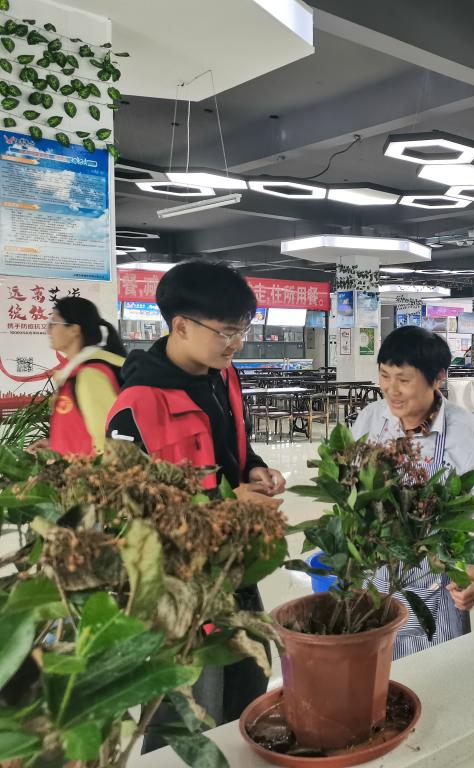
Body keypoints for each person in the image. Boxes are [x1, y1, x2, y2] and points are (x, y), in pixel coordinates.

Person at [105, 261, 285, 751]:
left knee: (248, 683)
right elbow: (131, 513)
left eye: (243, 329)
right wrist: (226, 505)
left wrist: (253, 470)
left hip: (234, 563)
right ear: (181, 325)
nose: (237, 343)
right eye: (226, 331)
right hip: (177, 583)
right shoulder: (137, 405)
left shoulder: (223, 378)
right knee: (188, 711)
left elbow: (233, 450)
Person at [353, 326, 474, 658]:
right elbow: (352, 490)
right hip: (374, 575)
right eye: (384, 376)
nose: (391, 390)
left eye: (404, 379)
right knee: (374, 669)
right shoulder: (372, 419)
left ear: (438, 377)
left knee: (433, 673)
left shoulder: (465, 431)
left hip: (435, 582)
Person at [46, 297, 126, 455]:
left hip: (92, 470)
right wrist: (54, 444)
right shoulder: (76, 372)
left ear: (74, 330)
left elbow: (107, 443)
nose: (49, 330)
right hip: (75, 467)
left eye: (54, 322)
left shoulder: (90, 375)